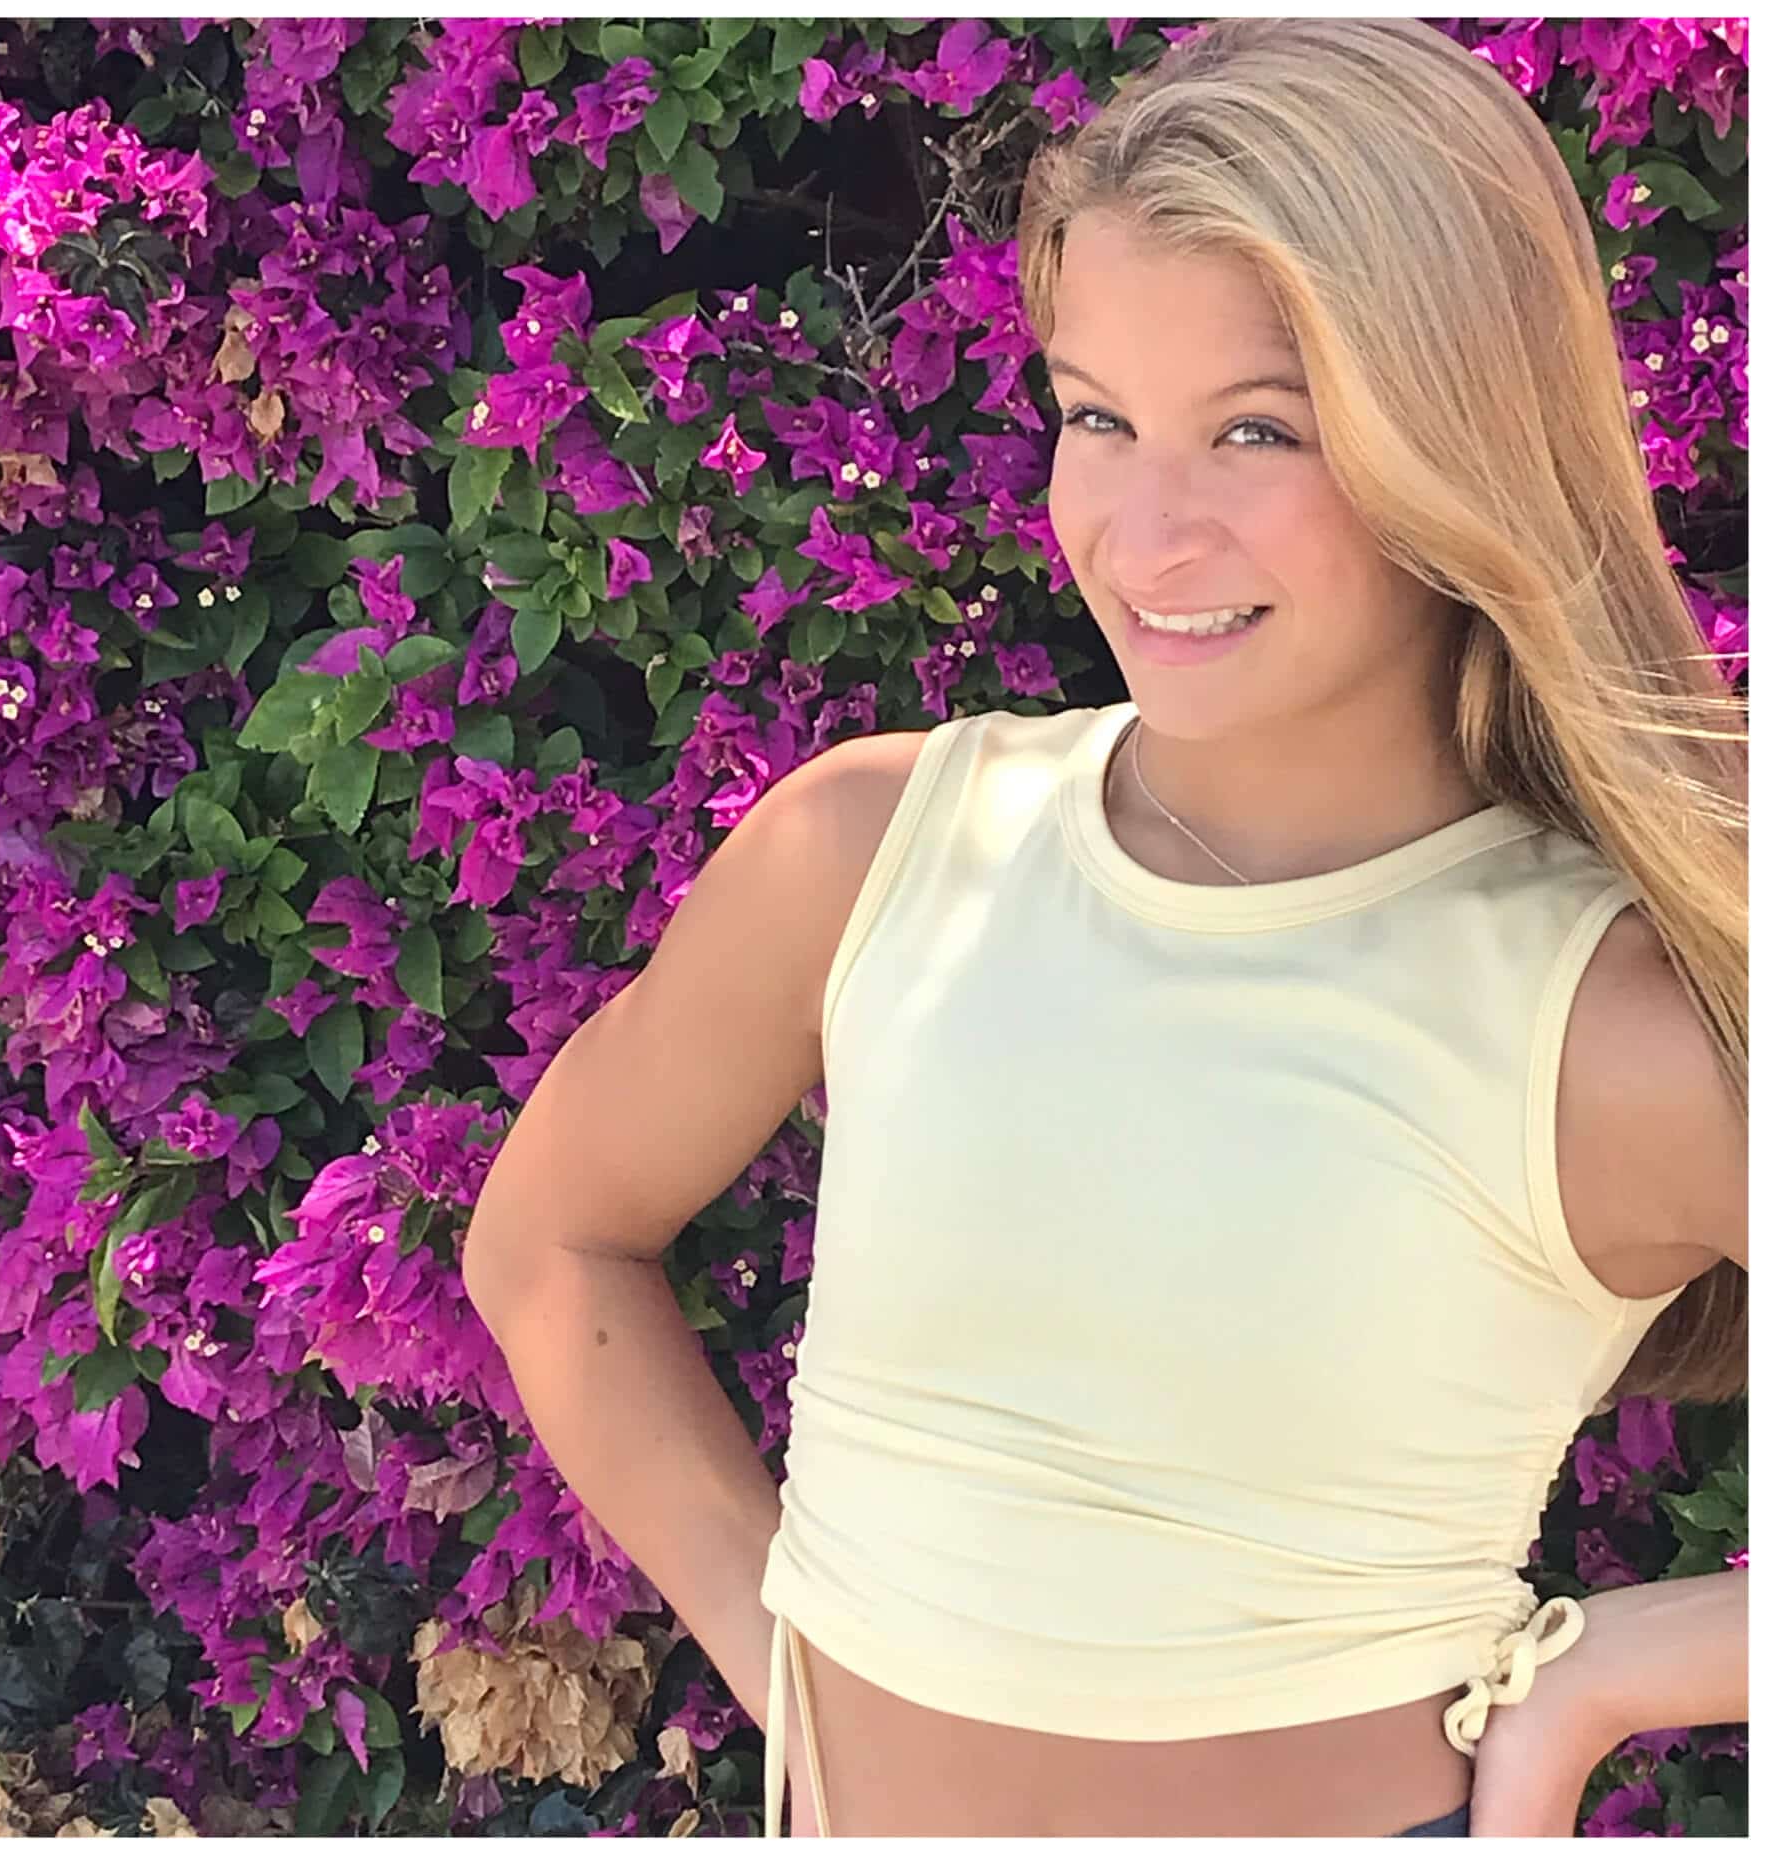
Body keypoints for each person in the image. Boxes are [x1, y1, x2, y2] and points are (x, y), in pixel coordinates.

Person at [461, 17, 1747, 1839]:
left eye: (1256, 431)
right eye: (1096, 417)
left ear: (1460, 440)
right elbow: (550, 1242)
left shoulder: (1598, 1021)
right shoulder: (876, 851)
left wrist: (1612, 1671)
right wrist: (786, 1659)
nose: (1145, 535)